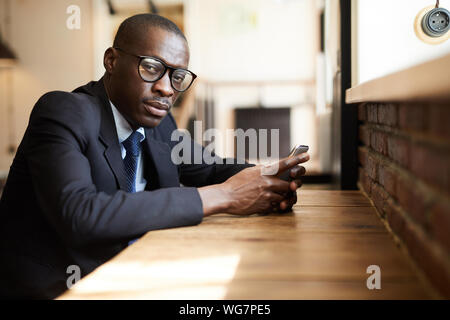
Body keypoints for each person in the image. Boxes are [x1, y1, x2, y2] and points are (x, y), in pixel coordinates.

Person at [0, 14, 309, 299]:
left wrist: (270, 178)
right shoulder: (64, 111)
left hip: (136, 276)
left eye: (178, 77)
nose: (165, 89)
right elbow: (81, 214)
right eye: (151, 67)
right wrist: (225, 196)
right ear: (111, 60)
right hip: (59, 290)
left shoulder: (158, 124)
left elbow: (211, 168)